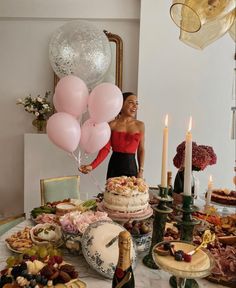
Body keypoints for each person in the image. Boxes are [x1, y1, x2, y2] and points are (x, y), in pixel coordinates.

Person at [79, 92, 145, 179]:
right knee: (112, 192)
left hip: (132, 168)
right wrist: (92, 166)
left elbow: (141, 150)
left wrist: (141, 171)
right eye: (130, 102)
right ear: (121, 104)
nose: (135, 106)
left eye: (136, 103)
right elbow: (105, 149)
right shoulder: (112, 125)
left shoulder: (140, 125)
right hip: (114, 167)